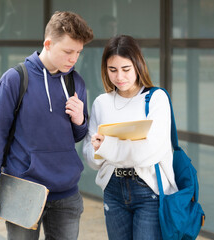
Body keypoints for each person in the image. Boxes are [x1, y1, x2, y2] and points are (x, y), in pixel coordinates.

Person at [0, 11, 93, 240]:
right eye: (68, 51)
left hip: (67, 194)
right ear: (48, 44)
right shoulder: (15, 79)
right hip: (23, 192)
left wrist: (80, 121)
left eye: (78, 53)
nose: (73, 59)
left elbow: (76, 136)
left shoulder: (75, 81)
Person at [82, 35, 178, 239]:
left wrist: (106, 147)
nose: (119, 77)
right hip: (112, 189)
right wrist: (99, 150)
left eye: (126, 69)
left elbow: (148, 153)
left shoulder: (156, 99)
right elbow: (91, 158)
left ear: (138, 65)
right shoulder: (101, 103)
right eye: (112, 70)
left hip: (148, 190)